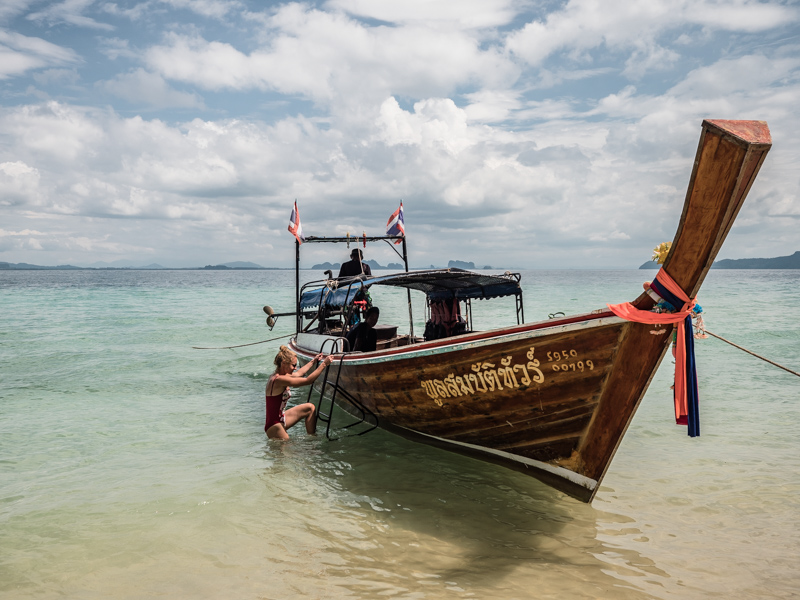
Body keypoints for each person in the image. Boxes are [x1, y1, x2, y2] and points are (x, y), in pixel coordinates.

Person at [265, 345, 333, 440]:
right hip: (274, 426)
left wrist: (314, 361)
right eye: (293, 365)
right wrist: (324, 364)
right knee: (290, 453)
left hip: (281, 418)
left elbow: (299, 374)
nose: (295, 368)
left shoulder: (281, 376)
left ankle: (312, 441)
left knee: (310, 408)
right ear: (284, 363)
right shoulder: (279, 380)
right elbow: (308, 381)